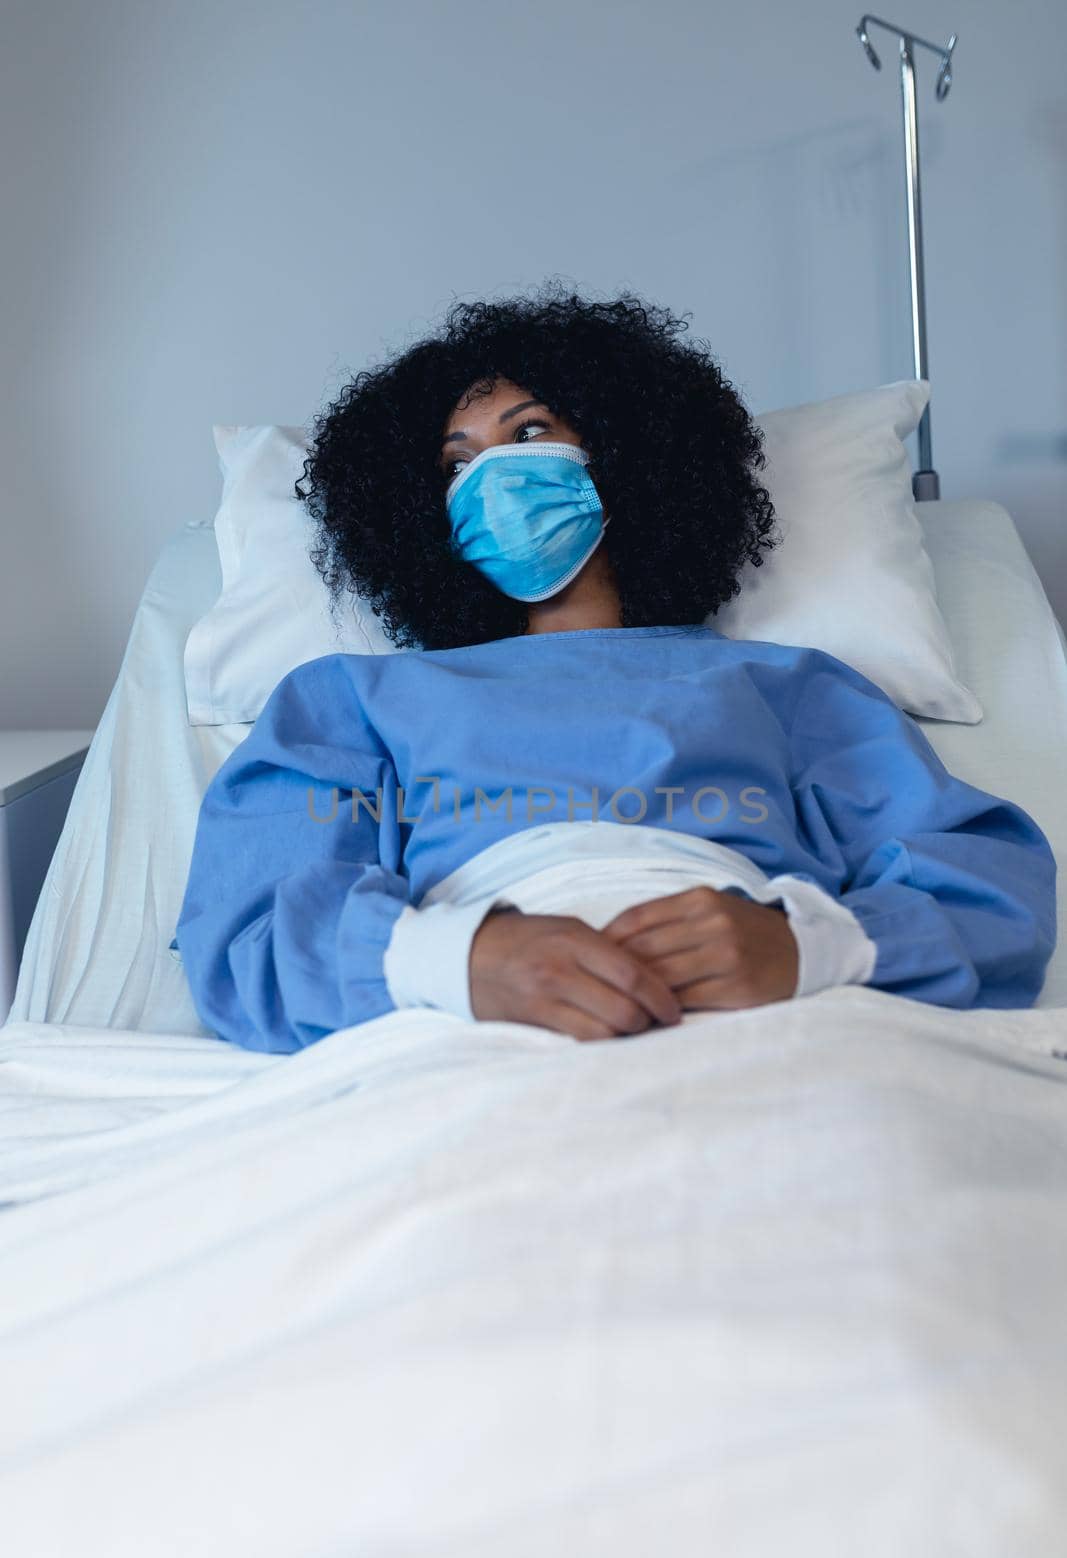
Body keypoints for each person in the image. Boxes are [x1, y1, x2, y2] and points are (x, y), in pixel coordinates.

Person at [174, 285, 1057, 1054]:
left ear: (627, 455)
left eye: (528, 433)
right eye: (457, 462)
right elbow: (248, 928)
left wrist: (803, 947)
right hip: (465, 1024)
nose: (495, 477)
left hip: (773, 1014)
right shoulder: (351, 700)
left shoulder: (789, 686)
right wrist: (463, 960)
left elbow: (988, 886)